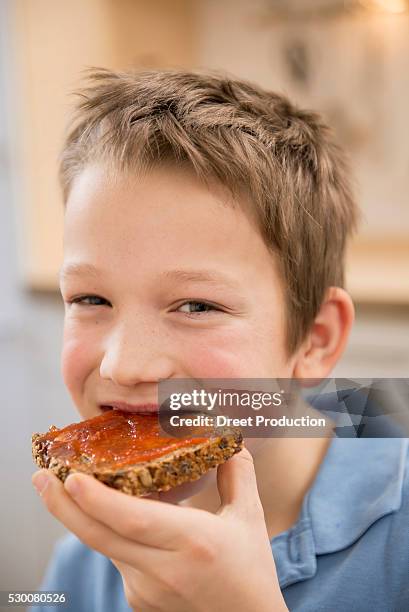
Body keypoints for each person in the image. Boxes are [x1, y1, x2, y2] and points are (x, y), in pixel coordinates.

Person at [30, 68, 409, 611]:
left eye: (197, 306)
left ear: (315, 340)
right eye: (91, 300)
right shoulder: (81, 565)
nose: (124, 365)